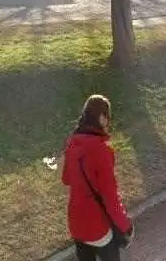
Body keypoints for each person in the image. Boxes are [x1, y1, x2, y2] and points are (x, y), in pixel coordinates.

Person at [62, 94, 134, 261]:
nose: (108, 122)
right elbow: (110, 197)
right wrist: (125, 225)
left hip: (77, 223)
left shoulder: (72, 143)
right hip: (97, 227)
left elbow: (66, 179)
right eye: (107, 117)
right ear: (101, 117)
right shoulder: (102, 151)